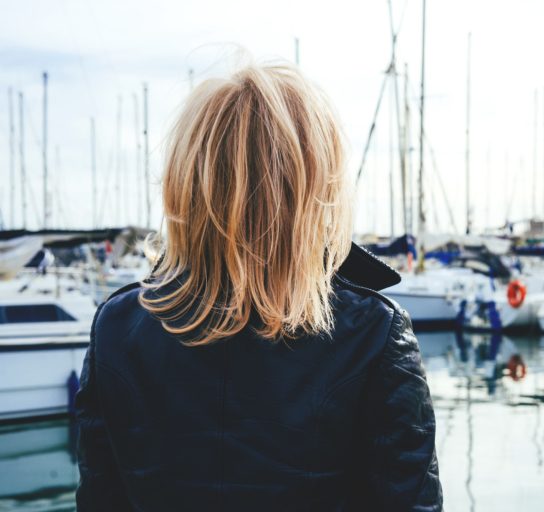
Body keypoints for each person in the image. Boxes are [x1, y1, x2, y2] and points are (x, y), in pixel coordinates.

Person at [75, 63, 442, 511]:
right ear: (314, 185)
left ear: (187, 180)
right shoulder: (374, 332)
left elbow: (100, 499)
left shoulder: (117, 327)